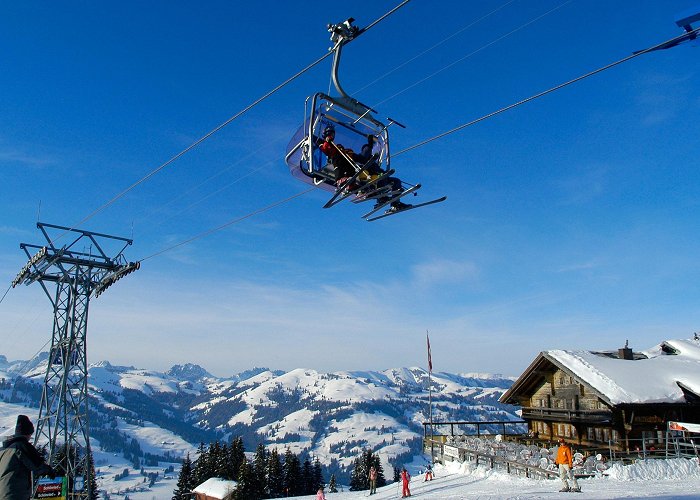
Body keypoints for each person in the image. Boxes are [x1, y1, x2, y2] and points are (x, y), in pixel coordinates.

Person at [0, 415, 57, 500]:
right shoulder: (22, 446)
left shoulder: (3, 450)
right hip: (15, 494)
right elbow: (36, 463)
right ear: (28, 433)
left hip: (3, 493)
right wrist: (49, 471)